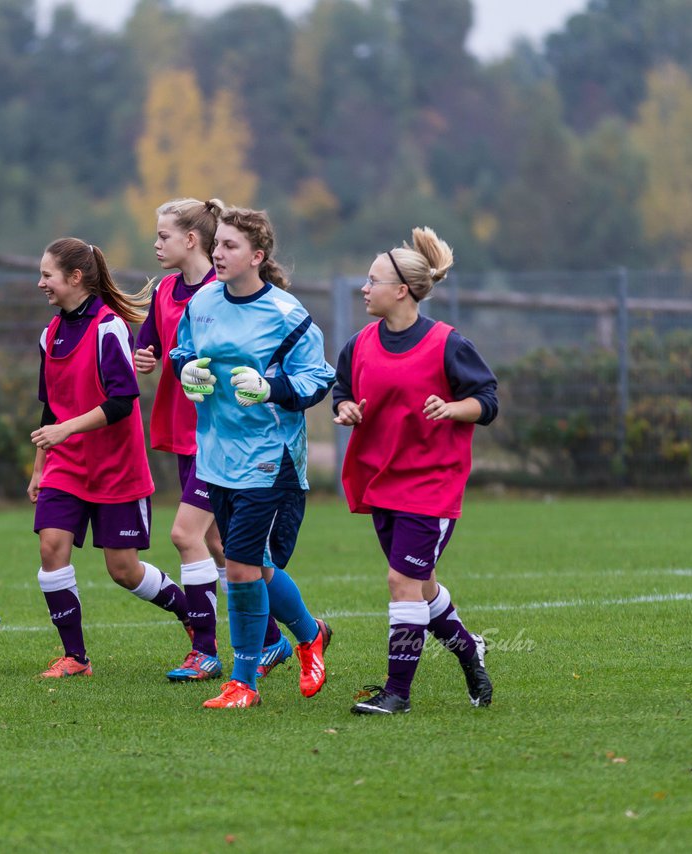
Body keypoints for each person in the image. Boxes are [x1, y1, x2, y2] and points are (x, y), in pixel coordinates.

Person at [169, 206, 336, 709]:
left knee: (239, 566)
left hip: (270, 458)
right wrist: (189, 376)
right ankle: (310, 634)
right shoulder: (202, 303)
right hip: (216, 453)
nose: (216, 253)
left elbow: (318, 379)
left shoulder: (287, 315)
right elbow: (183, 351)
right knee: (255, 565)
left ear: (257, 256)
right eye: (216, 244)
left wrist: (270, 387)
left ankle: (243, 683)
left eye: (229, 246)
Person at [335, 227, 496, 715]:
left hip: (432, 484)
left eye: (373, 280)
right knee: (420, 588)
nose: (364, 288)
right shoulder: (359, 343)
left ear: (402, 290)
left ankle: (397, 692)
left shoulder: (448, 343)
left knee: (401, 583)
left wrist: (453, 408)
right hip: (382, 481)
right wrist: (345, 410)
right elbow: (342, 391)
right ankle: (469, 651)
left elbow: (487, 401)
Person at [133, 198, 291, 683]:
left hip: (223, 439)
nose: (156, 244)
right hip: (185, 434)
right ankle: (280, 638)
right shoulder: (167, 292)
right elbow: (160, 346)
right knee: (224, 546)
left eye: (163, 236)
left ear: (190, 239)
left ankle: (205, 648)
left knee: (186, 536)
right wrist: (147, 358)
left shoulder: (224, 291)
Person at [28, 237, 191, 678]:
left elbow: (123, 401)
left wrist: (66, 429)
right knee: (51, 547)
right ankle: (76, 658)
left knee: (123, 569)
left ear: (74, 278)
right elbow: (51, 407)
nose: (40, 282)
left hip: (116, 468)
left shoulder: (109, 328)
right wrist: (40, 467)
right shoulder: (50, 334)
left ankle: (192, 613)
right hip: (66, 466)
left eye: (47, 274)